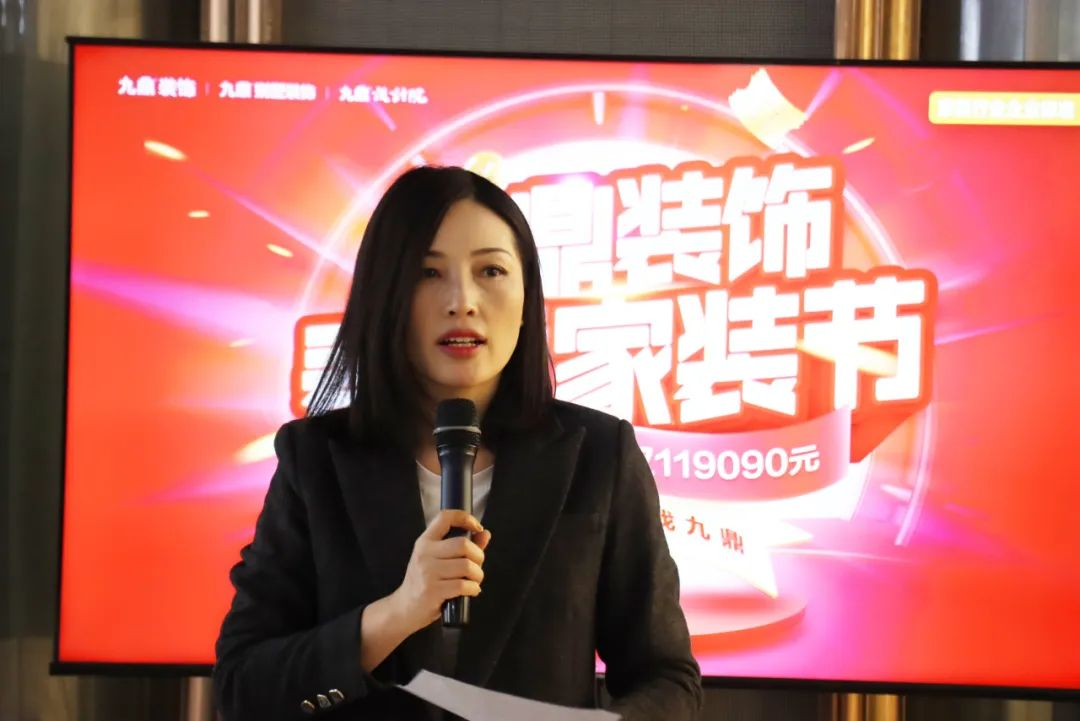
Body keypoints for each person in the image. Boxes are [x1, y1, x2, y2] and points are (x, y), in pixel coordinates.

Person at [212, 166, 703, 721]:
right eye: (428, 273)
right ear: (385, 295)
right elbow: (242, 689)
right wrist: (397, 613)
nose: (463, 301)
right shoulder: (316, 458)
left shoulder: (598, 454)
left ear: (527, 295)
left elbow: (667, 678)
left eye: (491, 270)